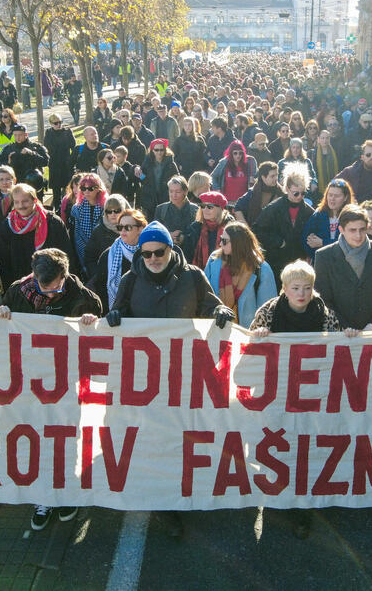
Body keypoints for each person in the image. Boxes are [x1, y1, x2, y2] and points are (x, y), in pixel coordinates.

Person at [81, 220, 234, 538]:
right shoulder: (131, 278)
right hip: (146, 376)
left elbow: (210, 305)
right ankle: (163, 501)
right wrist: (115, 317)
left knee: (181, 435)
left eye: (159, 252)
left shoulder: (192, 275)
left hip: (183, 371)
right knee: (151, 436)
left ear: (170, 249)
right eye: (147, 253)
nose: (152, 258)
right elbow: (118, 311)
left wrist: (220, 312)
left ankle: (180, 493)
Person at [0, 247, 101, 529]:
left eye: (55, 289)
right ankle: (44, 496)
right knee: (37, 437)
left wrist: (91, 323)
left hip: (67, 381)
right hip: (30, 382)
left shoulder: (84, 298)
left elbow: (101, 338)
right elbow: (1, 331)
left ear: (66, 275)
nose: (50, 294)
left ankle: (67, 491)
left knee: (66, 434)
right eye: (44, 289)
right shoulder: (17, 293)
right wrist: (1, 312)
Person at [250, 261, 358, 537]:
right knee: (277, 445)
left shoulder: (325, 315)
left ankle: (302, 509)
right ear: (284, 288)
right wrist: (259, 336)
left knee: (305, 448)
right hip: (277, 392)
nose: (301, 293)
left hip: (311, 394)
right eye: (296, 288)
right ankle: (276, 502)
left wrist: (349, 338)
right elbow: (249, 348)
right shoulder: (268, 312)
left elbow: (338, 352)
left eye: (307, 288)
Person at [314, 204, 372, 330]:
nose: (358, 235)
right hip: (339, 333)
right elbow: (323, 298)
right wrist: (343, 326)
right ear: (341, 229)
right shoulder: (324, 256)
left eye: (362, 229)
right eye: (352, 230)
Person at [0, 183, 74, 289]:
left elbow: (66, 254)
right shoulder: (7, 226)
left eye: (25, 201)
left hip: (52, 284)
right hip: (22, 284)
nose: (21, 206)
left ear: (34, 200)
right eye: (17, 202)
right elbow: (4, 262)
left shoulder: (52, 222)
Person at [203, 221, 276, 326]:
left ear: (238, 243)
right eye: (220, 239)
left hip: (247, 333)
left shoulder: (261, 269)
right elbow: (206, 294)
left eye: (224, 241)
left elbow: (268, 310)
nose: (220, 244)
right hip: (217, 329)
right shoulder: (214, 260)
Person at [252, 167, 315, 281]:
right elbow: (257, 230)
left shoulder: (309, 212)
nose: (300, 196)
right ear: (287, 188)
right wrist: (278, 242)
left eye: (303, 193)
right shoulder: (273, 208)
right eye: (296, 193)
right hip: (276, 261)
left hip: (299, 262)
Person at [92, 208, 146, 310]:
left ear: (140, 229)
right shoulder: (108, 255)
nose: (123, 231)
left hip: (143, 311)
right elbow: (101, 289)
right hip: (117, 312)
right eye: (120, 227)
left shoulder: (149, 252)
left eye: (128, 227)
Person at [302, 178, 353, 261]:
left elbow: (349, 243)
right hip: (322, 262)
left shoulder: (351, 216)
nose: (332, 198)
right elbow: (305, 239)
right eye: (330, 195)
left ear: (345, 198)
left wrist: (323, 243)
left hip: (344, 262)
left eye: (337, 196)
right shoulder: (318, 214)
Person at [83, 194, 130, 282]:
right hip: (104, 279)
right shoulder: (99, 231)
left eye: (117, 210)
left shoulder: (132, 228)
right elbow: (90, 257)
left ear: (124, 211)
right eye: (109, 211)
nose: (113, 214)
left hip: (128, 279)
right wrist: (98, 276)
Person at [185, 191, 234, 268]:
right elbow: (188, 256)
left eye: (210, 207)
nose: (205, 210)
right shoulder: (195, 228)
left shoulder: (232, 227)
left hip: (226, 271)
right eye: (203, 206)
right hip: (199, 273)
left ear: (220, 209)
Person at [69, 173, 107, 270]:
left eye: (90, 188)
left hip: (102, 249)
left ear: (98, 188)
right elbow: (75, 233)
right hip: (81, 249)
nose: (86, 192)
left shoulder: (106, 208)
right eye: (83, 188)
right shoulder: (76, 208)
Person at [1, 123, 50, 195]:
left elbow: (45, 162)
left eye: (20, 135)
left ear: (26, 135)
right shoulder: (8, 149)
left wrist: (31, 153)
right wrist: (8, 162)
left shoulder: (36, 147)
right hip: (17, 184)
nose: (18, 137)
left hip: (34, 183)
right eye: (15, 135)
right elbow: (1, 167)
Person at [234, 162, 283, 227]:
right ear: (263, 177)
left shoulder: (281, 192)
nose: (276, 178)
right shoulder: (252, 192)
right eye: (272, 176)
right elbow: (237, 208)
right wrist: (245, 228)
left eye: (277, 175)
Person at [138, 139, 179, 219]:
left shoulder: (171, 164)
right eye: (156, 150)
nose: (159, 152)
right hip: (149, 199)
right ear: (152, 150)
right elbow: (141, 177)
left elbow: (177, 179)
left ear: (165, 150)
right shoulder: (147, 162)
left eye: (161, 150)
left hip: (165, 197)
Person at [155, 176, 198, 249]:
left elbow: (198, 234)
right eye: (171, 191)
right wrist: (169, 235)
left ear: (186, 191)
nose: (174, 195)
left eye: (178, 192)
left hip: (189, 252)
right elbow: (155, 231)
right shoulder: (161, 209)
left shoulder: (195, 210)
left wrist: (184, 237)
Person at [44, 114, 78, 209]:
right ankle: (57, 207)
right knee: (56, 189)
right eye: (56, 123)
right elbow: (47, 147)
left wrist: (72, 159)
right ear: (51, 124)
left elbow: (73, 146)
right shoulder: (49, 133)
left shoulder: (67, 131)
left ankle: (68, 206)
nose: (58, 125)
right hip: (54, 163)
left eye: (60, 122)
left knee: (67, 186)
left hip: (66, 162)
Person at [211, 139, 257, 204]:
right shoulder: (224, 162)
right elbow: (213, 176)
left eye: (240, 153)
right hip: (227, 201)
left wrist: (254, 181)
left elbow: (256, 177)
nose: (238, 155)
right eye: (235, 153)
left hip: (243, 202)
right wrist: (217, 189)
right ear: (231, 153)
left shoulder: (250, 162)